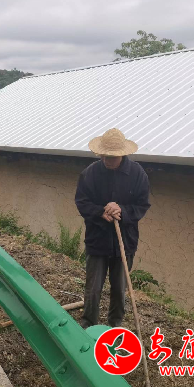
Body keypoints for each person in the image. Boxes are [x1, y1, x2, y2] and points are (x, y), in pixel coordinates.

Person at [75, 128, 151, 328]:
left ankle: (115, 326)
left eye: (111, 157)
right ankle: (88, 324)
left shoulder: (137, 174)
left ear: (122, 154)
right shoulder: (90, 173)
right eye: (104, 156)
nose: (106, 160)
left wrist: (122, 211)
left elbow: (142, 205)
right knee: (93, 288)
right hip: (97, 240)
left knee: (119, 289)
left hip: (124, 242)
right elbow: (82, 202)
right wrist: (101, 212)